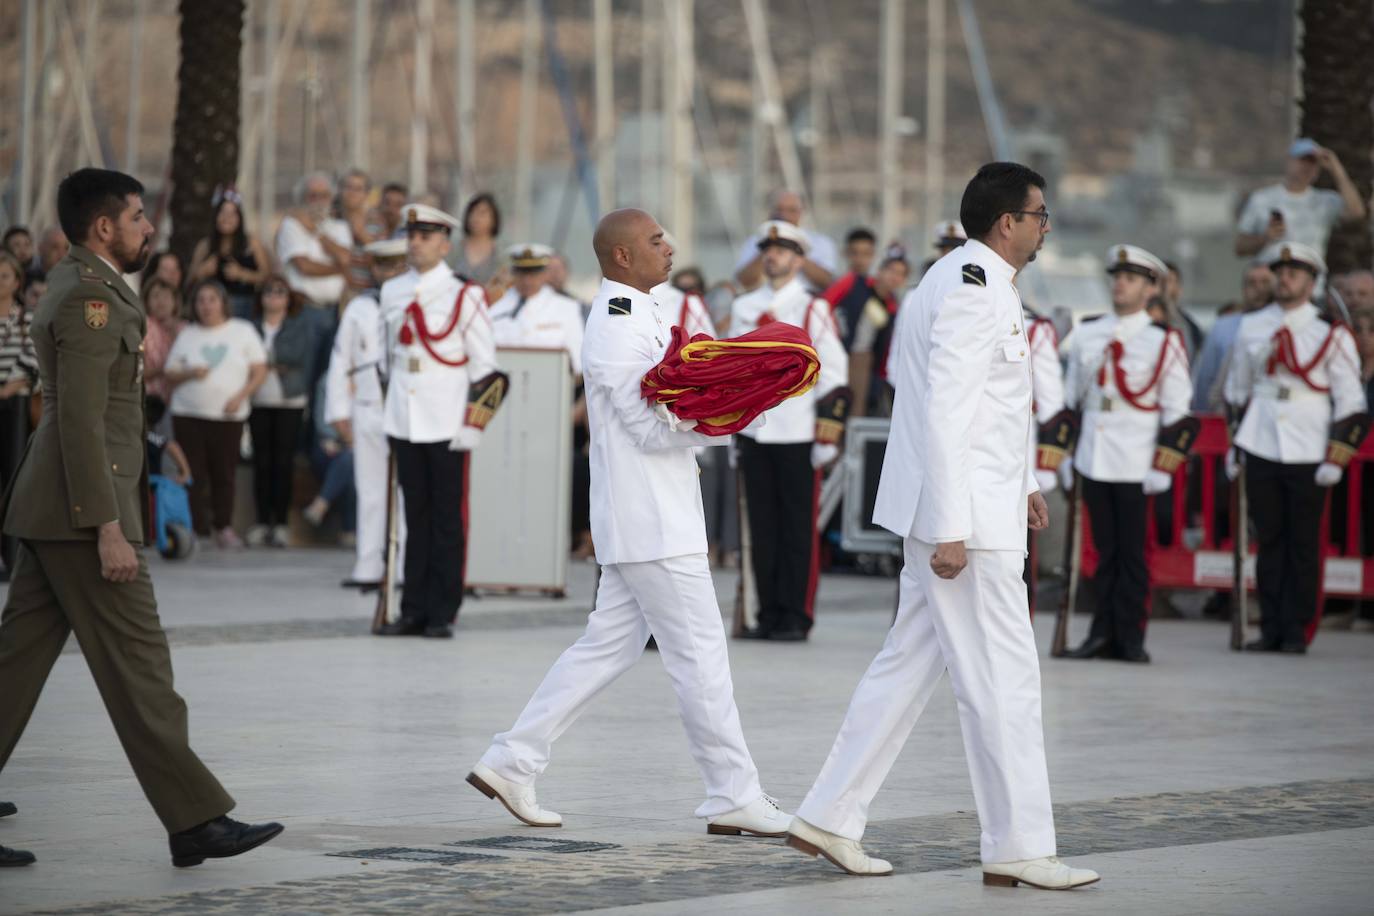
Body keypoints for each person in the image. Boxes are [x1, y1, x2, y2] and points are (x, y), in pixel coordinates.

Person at [786, 163, 1097, 890]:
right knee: (1004, 678)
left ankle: (830, 814)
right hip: (965, 524)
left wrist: (1022, 481)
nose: (1047, 226)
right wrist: (953, 525)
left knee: (907, 666)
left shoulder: (967, 279)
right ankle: (1020, 845)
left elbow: (993, 406)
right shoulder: (972, 291)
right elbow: (946, 410)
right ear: (1007, 223)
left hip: (976, 505)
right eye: (1040, 214)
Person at [468, 207, 791, 839]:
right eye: (653, 241)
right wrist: (727, 417)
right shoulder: (616, 324)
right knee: (700, 657)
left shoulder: (642, 311)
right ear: (621, 256)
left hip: (652, 515)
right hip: (651, 521)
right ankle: (733, 794)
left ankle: (512, 760)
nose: (667, 248)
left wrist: (730, 394)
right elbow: (646, 426)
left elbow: (666, 398)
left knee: (606, 648)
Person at [0, 167, 282, 870]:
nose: (149, 228)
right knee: (141, 667)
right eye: (136, 217)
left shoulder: (82, 287)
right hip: (80, 515)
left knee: (13, 668)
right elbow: (82, 424)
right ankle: (195, 820)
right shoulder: (88, 300)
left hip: (53, 508)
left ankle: (193, 820)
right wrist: (106, 526)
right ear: (104, 228)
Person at [1224, 242, 1367, 653]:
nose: (1284, 279)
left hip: (1309, 443)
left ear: (1311, 281)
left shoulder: (1329, 331)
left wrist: (1336, 455)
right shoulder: (1253, 324)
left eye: (1294, 273)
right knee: (1269, 541)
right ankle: (1270, 625)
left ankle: (1297, 629)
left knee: (1303, 543)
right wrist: (1237, 445)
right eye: (1280, 271)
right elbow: (1237, 389)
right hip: (1262, 437)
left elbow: (1351, 401)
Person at [1060, 246, 1194, 663]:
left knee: (1134, 555)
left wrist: (1164, 463)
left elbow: (1178, 410)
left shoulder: (1163, 341)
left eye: (1132, 278)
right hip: (1093, 454)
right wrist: (1063, 456)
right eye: (1117, 276)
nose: (1120, 284)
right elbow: (1070, 401)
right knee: (1103, 554)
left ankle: (1130, 637)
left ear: (1151, 288)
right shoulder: (1087, 332)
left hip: (1137, 460)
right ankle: (1100, 632)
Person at [377, 203, 500, 639]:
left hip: (447, 421)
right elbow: (385, 359)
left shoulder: (463, 293)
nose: (415, 243)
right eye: (412, 235)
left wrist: (474, 424)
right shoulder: (392, 290)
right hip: (404, 418)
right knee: (415, 516)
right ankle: (412, 608)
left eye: (426, 236)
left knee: (447, 520)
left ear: (445, 243)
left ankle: (442, 611)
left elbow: (486, 369)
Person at [730, 221, 849, 640]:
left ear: (799, 259)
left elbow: (834, 374)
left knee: (798, 528)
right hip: (753, 431)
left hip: (797, 431)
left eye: (782, 249)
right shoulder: (745, 306)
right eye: (768, 248)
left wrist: (827, 435)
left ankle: (796, 615)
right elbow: (730, 371)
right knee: (760, 527)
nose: (772, 255)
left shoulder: (811, 307)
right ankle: (766, 614)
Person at [324, 237, 411, 588]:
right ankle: (369, 564)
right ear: (373, 269)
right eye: (383, 266)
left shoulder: (414, 301)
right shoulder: (360, 308)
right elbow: (341, 358)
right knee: (371, 488)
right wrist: (338, 411)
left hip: (405, 407)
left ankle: (404, 565)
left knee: (406, 491)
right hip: (368, 407)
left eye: (395, 265)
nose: (389, 272)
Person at [164, 280, 269, 547]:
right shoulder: (188, 334)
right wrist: (191, 373)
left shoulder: (242, 331)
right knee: (192, 473)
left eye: (212, 299)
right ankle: (197, 530)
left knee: (224, 473)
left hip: (227, 417)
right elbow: (170, 372)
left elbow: (259, 370)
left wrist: (240, 396)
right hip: (188, 414)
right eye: (201, 300)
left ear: (223, 302)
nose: (206, 305)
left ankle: (223, 526)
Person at [246, 277, 314, 548]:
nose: (274, 297)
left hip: (290, 401)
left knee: (283, 462)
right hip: (259, 399)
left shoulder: (298, 325)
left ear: (288, 298)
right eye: (269, 292)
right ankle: (262, 521)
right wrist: (274, 363)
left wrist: (267, 361)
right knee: (261, 462)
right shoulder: (251, 326)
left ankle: (282, 523)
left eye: (280, 292)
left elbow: (297, 355)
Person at [1234, 138, 1367, 259]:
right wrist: (1265, 238)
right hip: (1271, 280)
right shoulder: (1261, 198)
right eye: (1303, 160)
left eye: (1314, 162)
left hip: (1311, 281)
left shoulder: (1325, 200)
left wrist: (1336, 168)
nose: (1308, 166)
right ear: (1289, 162)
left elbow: (1356, 213)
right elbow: (1240, 247)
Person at [0, 250, 39, 576]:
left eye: (5, 277)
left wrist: (8, 388)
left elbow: (33, 359)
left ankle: (12, 557)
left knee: (11, 476)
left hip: (15, 404)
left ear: (16, 281)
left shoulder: (27, 319)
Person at [1191, 262, 1275, 413]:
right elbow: (1206, 378)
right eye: (1252, 283)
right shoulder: (1222, 327)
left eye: (1265, 282)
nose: (1259, 288)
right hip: (1230, 415)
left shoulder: (1284, 326)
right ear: (1243, 289)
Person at [488, 244, 585, 370]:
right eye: (522, 274)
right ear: (513, 273)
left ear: (545, 274)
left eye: (533, 274)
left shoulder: (567, 308)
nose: (527, 281)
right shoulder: (495, 309)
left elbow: (578, 362)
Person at [188, 188, 271, 319]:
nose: (227, 218)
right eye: (223, 213)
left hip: (244, 307)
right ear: (216, 216)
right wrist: (202, 272)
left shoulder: (252, 243)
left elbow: (267, 276)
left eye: (233, 214)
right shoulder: (205, 245)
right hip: (211, 309)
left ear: (240, 218)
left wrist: (242, 274)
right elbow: (189, 281)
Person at [733, 189, 837, 292]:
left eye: (791, 210)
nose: (784, 215)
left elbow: (827, 282)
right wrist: (767, 247)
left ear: (801, 212)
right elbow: (743, 281)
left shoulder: (820, 242)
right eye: (779, 209)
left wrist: (796, 250)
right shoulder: (755, 241)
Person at [141, 278, 187, 403]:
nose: (161, 301)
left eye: (166, 296)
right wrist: (165, 368)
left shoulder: (186, 329)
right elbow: (136, 371)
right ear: (147, 302)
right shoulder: (142, 326)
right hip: (151, 400)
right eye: (155, 296)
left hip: (182, 400)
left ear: (175, 301)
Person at [450, 192, 505, 294]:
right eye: (472, 212)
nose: (476, 218)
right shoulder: (452, 249)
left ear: (494, 218)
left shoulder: (502, 254)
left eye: (482, 213)